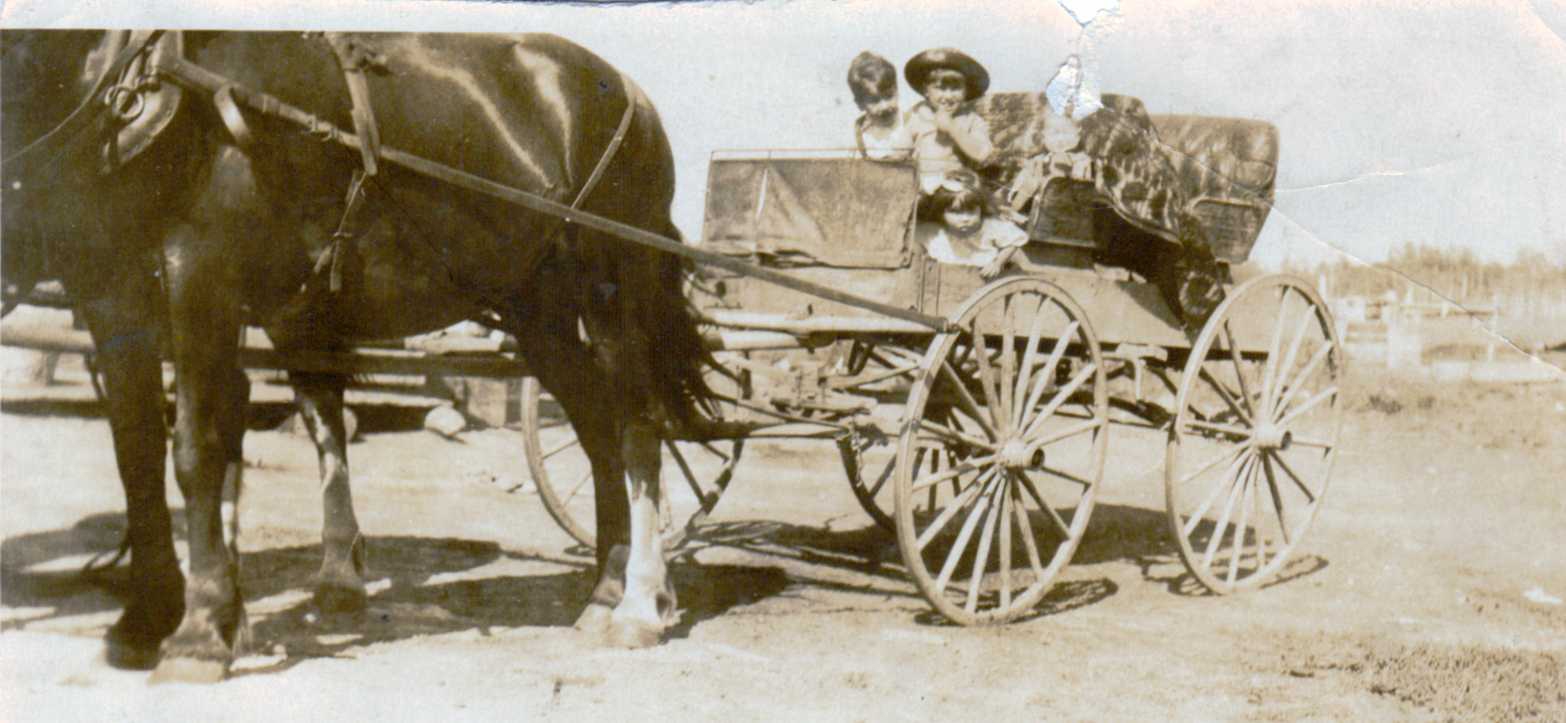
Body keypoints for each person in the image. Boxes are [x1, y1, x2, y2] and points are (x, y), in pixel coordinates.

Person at [903, 48, 995, 195]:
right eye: (941, 88)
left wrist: (953, 128)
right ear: (926, 90)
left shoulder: (972, 119)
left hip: (956, 187)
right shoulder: (916, 114)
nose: (949, 96)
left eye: (956, 89)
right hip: (921, 187)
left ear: (966, 92)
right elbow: (902, 148)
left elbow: (982, 154)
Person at [916, 170, 1027, 280]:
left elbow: (1015, 240)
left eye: (971, 211)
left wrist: (998, 263)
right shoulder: (935, 232)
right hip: (945, 278)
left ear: (980, 208)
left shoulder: (989, 226)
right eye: (955, 212)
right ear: (940, 212)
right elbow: (915, 239)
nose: (965, 219)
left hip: (982, 278)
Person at [847, 51, 911, 160]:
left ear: (897, 91)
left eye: (889, 96)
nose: (884, 106)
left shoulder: (911, 124)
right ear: (860, 104)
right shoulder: (858, 135)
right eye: (874, 101)